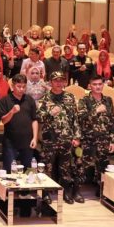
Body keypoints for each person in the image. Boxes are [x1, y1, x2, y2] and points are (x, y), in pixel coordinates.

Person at [36, 71, 83, 205]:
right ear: (50, 82)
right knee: (47, 167)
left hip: (66, 139)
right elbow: (38, 117)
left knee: (65, 168)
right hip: (50, 139)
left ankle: (66, 193)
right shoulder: (44, 99)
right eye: (55, 80)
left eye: (61, 80)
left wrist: (77, 137)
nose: (58, 83)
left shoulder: (70, 97)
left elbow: (75, 119)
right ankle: (45, 194)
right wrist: (50, 113)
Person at [77, 75, 114, 196]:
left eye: (100, 84)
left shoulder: (108, 100)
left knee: (103, 167)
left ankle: (102, 191)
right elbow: (81, 118)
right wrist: (96, 111)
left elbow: (112, 121)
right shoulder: (84, 100)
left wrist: (113, 140)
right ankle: (77, 191)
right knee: (83, 166)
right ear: (90, 86)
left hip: (104, 139)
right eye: (94, 84)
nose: (97, 87)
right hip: (89, 139)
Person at [0, 74, 38, 173]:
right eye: (19, 86)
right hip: (10, 142)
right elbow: (3, 120)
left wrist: (35, 138)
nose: (21, 89)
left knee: (29, 171)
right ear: (13, 86)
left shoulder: (29, 100)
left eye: (24, 87)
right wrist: (12, 112)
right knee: (10, 171)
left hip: (27, 141)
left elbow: (34, 120)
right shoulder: (5, 100)